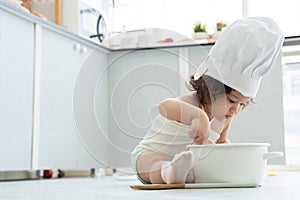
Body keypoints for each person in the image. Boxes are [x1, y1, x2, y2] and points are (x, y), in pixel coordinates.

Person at [131, 17, 284, 184]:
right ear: (211, 88)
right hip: (149, 155)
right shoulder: (191, 103)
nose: (236, 110)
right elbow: (164, 107)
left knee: (195, 170)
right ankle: (168, 172)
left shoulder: (225, 118)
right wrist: (197, 116)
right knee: (154, 162)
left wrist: (232, 157)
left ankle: (178, 172)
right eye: (232, 100)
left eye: (242, 104)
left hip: (187, 165)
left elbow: (221, 141)